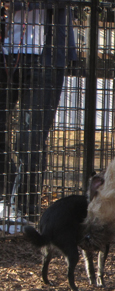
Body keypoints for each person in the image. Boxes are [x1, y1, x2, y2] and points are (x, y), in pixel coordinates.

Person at [0, 1, 77, 225]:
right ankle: (7, 192)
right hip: (5, 54)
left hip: (45, 59)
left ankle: (25, 213)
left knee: (29, 140)